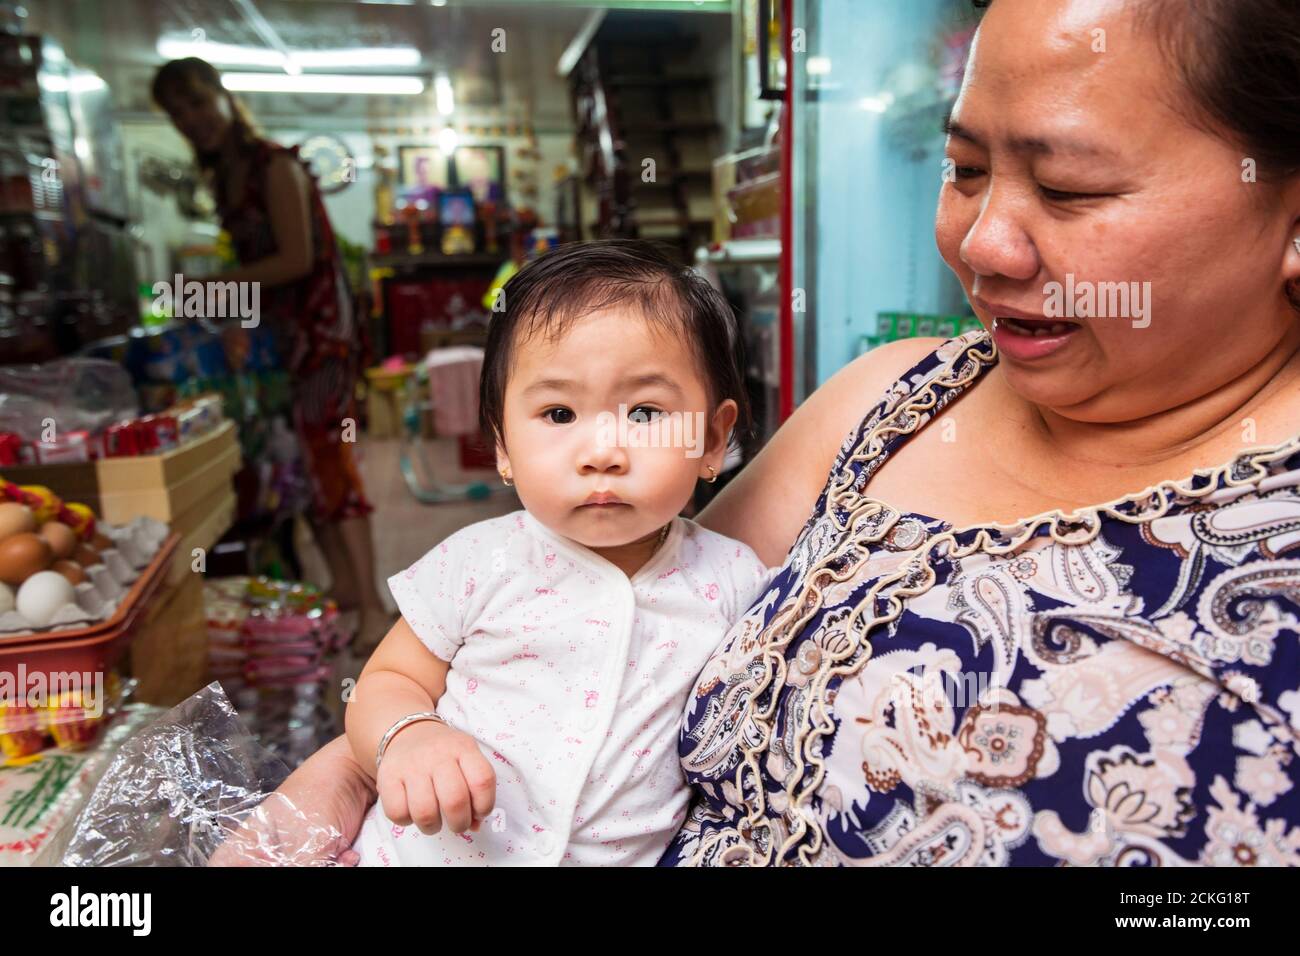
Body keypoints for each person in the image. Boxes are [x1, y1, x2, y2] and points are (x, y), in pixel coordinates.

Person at [212, 0, 1300, 866]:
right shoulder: (898, 394)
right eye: (964, 168)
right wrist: (370, 763)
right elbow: (597, 608)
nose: (981, 242)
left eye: (1066, 185)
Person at [345, 240, 770, 865]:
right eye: (559, 412)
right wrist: (408, 735)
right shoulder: (477, 562)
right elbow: (387, 681)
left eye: (646, 412)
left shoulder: (735, 580)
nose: (601, 451)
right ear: (503, 447)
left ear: (712, 439)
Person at [151, 58, 392, 648]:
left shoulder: (274, 165)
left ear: (224, 98)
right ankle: (347, 597)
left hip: (321, 336)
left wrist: (217, 285)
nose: (193, 120)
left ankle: (377, 612)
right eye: (178, 114)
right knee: (307, 473)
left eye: (198, 103)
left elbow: (296, 260)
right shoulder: (225, 177)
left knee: (330, 462)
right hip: (279, 342)